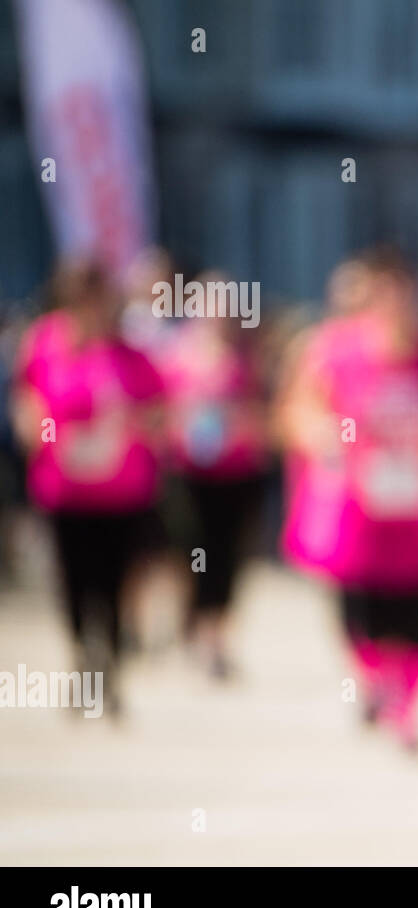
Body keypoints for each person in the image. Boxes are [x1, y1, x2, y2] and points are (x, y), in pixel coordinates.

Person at [278, 247, 418, 752]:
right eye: (386, 293)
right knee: (358, 607)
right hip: (356, 510)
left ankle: (406, 710)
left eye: (407, 292)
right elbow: (298, 413)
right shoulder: (331, 350)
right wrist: (326, 437)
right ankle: (375, 679)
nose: (398, 304)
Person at [10, 260, 166, 716]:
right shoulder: (45, 344)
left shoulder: (130, 354)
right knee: (74, 581)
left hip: (122, 489)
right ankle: (84, 663)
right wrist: (50, 435)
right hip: (65, 487)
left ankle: (110, 668)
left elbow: (159, 412)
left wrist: (126, 427)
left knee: (115, 582)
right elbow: (29, 404)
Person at [158, 271, 270, 679]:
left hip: (237, 474)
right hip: (189, 475)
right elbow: (158, 413)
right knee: (195, 555)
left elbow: (265, 415)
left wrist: (241, 422)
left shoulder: (247, 357)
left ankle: (216, 635)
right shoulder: (176, 356)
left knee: (228, 558)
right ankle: (195, 624)